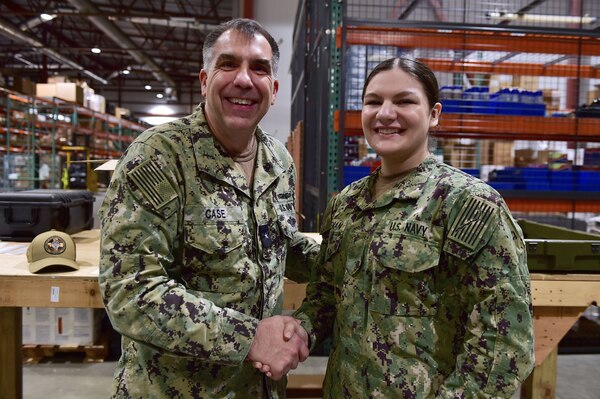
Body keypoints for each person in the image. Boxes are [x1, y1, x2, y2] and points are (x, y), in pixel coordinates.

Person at [262, 57, 535, 397]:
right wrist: (298, 332)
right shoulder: (347, 204)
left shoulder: (467, 206)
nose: (385, 113)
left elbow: (504, 347)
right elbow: (327, 297)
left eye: (404, 101)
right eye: (373, 102)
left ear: (434, 114)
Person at [98, 18, 318, 398]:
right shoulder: (159, 157)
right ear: (204, 80)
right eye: (228, 64)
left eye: (259, 68)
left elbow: (275, 243)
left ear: (275, 89)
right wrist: (249, 338)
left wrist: (351, 255)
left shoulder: (277, 161)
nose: (244, 80)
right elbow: (129, 291)